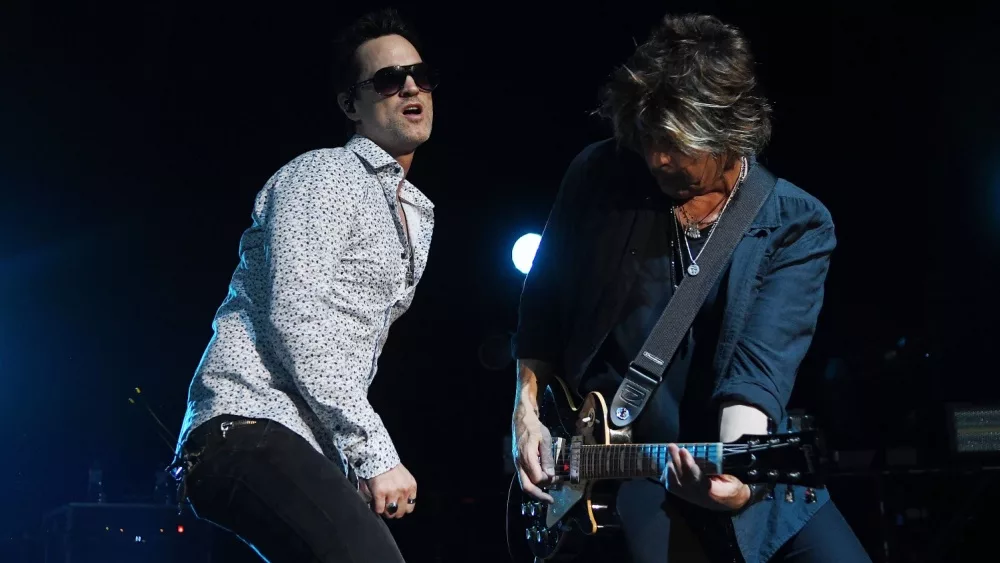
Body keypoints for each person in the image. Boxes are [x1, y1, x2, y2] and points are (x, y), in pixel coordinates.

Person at [511, 13, 871, 563]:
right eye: (648, 139)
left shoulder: (795, 221)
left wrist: (740, 470)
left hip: (727, 457)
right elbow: (541, 304)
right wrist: (526, 410)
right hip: (621, 472)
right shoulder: (601, 175)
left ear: (730, 130)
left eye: (676, 143)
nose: (657, 158)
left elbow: (760, 367)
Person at [168, 8, 439, 563]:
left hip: (301, 444)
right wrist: (371, 451)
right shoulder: (325, 175)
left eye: (420, 74)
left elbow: (355, 346)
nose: (410, 87)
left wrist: (343, 457)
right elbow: (298, 316)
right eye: (389, 80)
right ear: (350, 105)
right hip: (245, 425)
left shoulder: (412, 209)